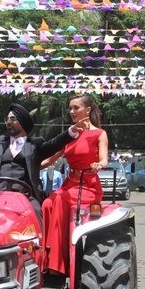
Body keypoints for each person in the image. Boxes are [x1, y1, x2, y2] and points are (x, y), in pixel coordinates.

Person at [40, 94, 108, 276]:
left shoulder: (99, 134)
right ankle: (44, 257)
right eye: (70, 108)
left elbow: (104, 160)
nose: (71, 112)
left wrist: (98, 165)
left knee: (61, 199)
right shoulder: (71, 134)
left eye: (76, 108)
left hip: (88, 185)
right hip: (69, 184)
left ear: (88, 110)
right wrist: (27, 164)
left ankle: (57, 264)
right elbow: (50, 159)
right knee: (46, 204)